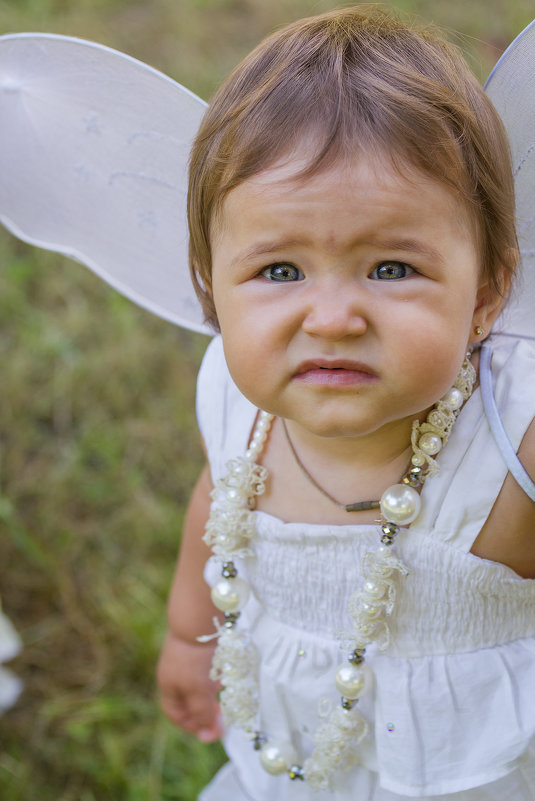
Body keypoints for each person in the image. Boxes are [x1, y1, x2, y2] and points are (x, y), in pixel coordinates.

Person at [156, 6, 535, 800]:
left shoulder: (513, 444)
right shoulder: (232, 397)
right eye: (281, 272)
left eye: (391, 268)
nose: (332, 318)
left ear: (487, 294)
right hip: (290, 767)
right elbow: (212, 500)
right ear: (209, 286)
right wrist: (187, 634)